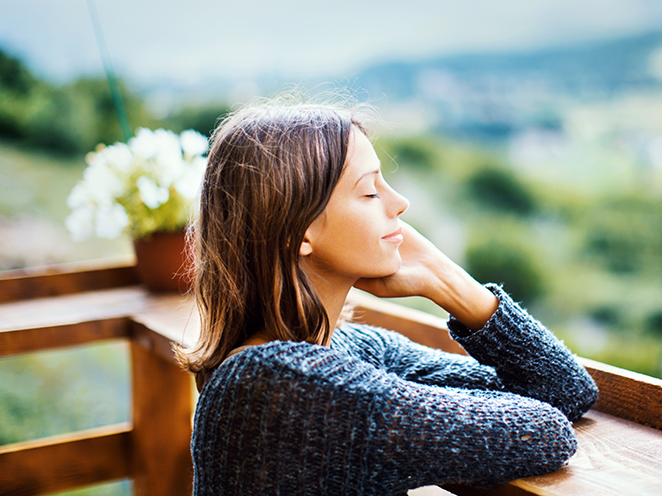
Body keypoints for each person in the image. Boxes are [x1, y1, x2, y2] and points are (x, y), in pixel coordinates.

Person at [176, 96, 598, 496]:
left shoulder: (351, 350)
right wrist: (443, 274)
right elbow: (544, 431)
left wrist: (446, 279)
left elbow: (565, 391)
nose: (399, 202)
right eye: (370, 191)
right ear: (298, 232)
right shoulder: (278, 385)